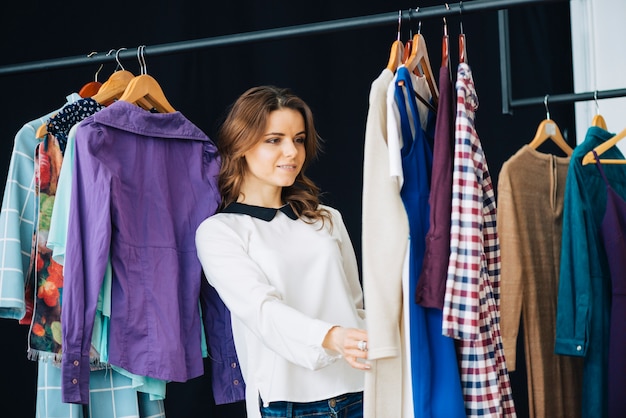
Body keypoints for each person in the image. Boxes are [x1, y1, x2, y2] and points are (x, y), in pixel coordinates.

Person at [195, 85, 369, 418]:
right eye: (274, 140)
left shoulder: (327, 218)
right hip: (289, 404)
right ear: (241, 144)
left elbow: (355, 304)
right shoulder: (220, 232)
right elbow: (262, 311)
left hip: (360, 390)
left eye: (299, 139)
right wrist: (332, 336)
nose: (291, 152)